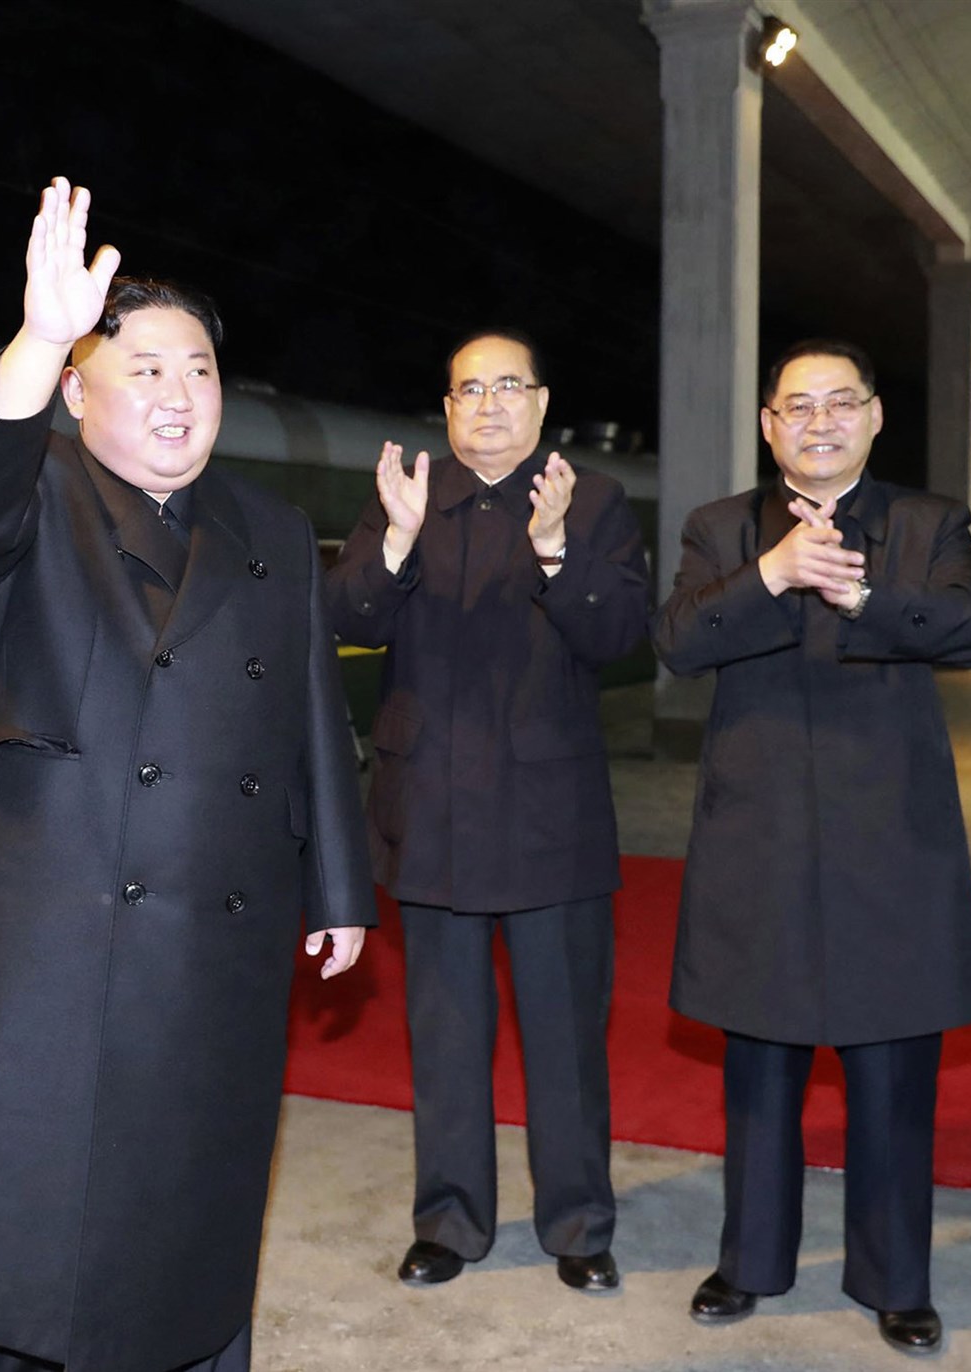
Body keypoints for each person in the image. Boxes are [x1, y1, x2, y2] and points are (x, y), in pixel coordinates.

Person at [0, 177, 375, 1372]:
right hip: (45, 938)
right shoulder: (31, 497)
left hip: (218, 930)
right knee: (10, 1224)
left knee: (183, 1212)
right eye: (140, 365)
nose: (176, 391)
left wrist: (343, 886)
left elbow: (312, 709)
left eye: (196, 368)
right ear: (76, 392)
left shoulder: (263, 526)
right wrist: (42, 330)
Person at [653, 339, 971, 1356]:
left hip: (889, 836)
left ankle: (894, 1279)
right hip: (754, 831)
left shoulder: (925, 522)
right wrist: (767, 576)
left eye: (837, 402)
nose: (816, 420)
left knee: (892, 1065)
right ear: (767, 424)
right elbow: (675, 639)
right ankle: (748, 1261)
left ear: (873, 415)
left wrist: (862, 596)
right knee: (756, 1061)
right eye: (794, 406)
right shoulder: (720, 527)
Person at [326, 330, 649, 1295]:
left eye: (510, 387)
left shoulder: (593, 503)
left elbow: (623, 636)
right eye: (471, 389)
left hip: (551, 816)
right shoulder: (410, 498)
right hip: (431, 813)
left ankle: (579, 1223)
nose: (491, 404)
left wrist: (555, 552)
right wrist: (392, 539)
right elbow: (349, 619)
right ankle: (450, 1221)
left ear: (543, 404)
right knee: (446, 1031)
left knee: (565, 1039)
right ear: (449, 408)